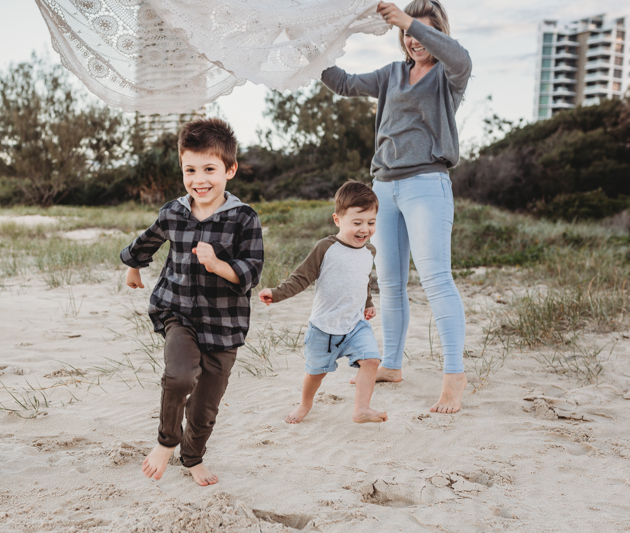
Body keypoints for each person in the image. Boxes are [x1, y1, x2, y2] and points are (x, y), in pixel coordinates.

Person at [321, 0, 472, 414]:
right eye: (407, 31)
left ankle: (454, 377)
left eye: (421, 30)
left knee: (437, 281)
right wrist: (310, 50)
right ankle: (390, 364)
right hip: (383, 188)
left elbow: (459, 54)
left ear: (434, 32)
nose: (412, 38)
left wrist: (408, 18)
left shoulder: (448, 74)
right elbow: (343, 82)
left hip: (427, 184)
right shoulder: (391, 75)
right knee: (389, 283)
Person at [120, 118, 264, 486]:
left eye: (210, 169)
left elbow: (251, 270)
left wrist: (219, 265)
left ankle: (192, 457)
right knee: (180, 375)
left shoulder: (243, 217)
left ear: (230, 169)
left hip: (224, 324)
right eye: (190, 170)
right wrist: (133, 267)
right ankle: (166, 442)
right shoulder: (174, 212)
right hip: (178, 310)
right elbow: (148, 240)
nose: (199, 179)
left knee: (204, 408)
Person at [259, 181, 387, 425]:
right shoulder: (325, 248)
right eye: (357, 223)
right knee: (316, 374)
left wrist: (368, 302)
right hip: (324, 329)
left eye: (371, 222)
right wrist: (276, 293)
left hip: (354, 326)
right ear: (338, 220)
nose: (365, 229)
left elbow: (364, 280)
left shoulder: (369, 251)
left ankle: (361, 408)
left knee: (371, 360)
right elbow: (301, 278)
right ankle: (305, 403)